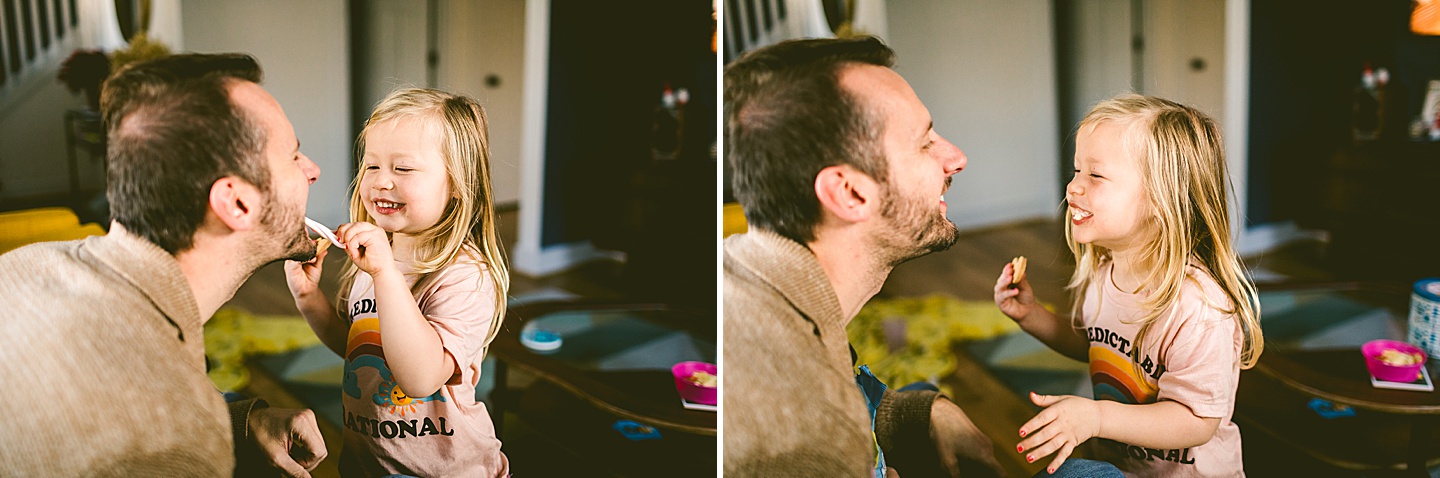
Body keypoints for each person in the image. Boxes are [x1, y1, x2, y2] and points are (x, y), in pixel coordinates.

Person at [0, 53, 328, 476]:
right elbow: (148, 433)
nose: (313, 170)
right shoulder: (174, 443)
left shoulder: (21, 266)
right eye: (294, 156)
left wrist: (239, 424)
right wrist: (202, 429)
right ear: (236, 203)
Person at [724, 36, 1003, 477]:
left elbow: (853, 392)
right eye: (925, 142)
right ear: (850, 193)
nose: (956, 158)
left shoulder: (758, 274)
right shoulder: (806, 438)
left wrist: (919, 413)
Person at [994, 94, 1263, 477]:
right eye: (1076, 171)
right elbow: (1098, 344)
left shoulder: (1198, 307)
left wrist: (1098, 417)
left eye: (1095, 175)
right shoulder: (1106, 271)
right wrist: (1032, 316)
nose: (1072, 188)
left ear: (1160, 198)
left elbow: (1196, 421)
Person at [284, 88, 511, 476]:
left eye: (402, 169)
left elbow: (421, 378)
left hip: (449, 470)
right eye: (371, 166)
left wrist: (386, 275)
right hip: (368, 461)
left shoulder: (466, 277)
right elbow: (360, 351)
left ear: (457, 183)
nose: (380, 182)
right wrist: (308, 298)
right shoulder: (376, 260)